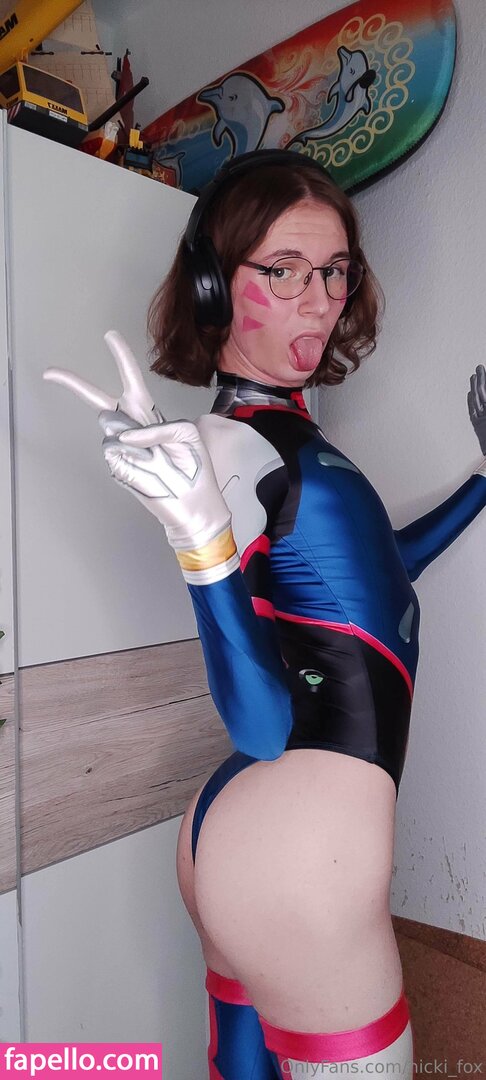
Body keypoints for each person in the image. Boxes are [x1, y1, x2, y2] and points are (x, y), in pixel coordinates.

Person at [43, 150, 486, 1080]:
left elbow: (379, 580)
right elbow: (260, 721)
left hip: (248, 826)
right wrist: (200, 542)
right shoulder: (231, 447)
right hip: (303, 832)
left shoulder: (286, 438)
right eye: (283, 270)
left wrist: (484, 482)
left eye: (333, 271)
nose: (318, 301)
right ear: (214, 285)